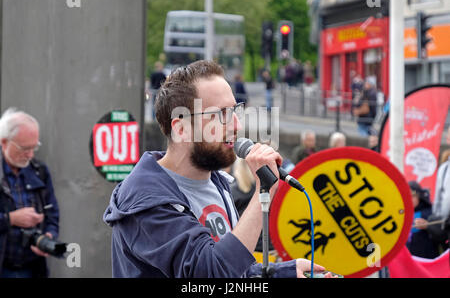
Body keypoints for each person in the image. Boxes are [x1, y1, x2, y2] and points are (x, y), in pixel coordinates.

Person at [103, 60, 333, 278]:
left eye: (235, 111)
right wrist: (262, 193)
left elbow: (233, 269)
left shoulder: (217, 182)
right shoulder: (146, 200)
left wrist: (283, 273)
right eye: (221, 115)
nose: (236, 125)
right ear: (181, 128)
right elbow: (210, 273)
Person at [0, 108, 59, 278]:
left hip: (33, 269)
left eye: (34, 147)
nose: (31, 155)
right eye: (25, 148)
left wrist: (48, 235)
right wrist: (11, 219)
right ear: (4, 142)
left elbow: (53, 213)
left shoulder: (39, 171)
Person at [406, 181, 439, 259]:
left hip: (427, 259)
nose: (410, 199)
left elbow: (442, 232)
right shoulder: (402, 214)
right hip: (409, 260)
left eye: (413, 196)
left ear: (419, 196)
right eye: (407, 196)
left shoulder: (430, 211)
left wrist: (428, 226)